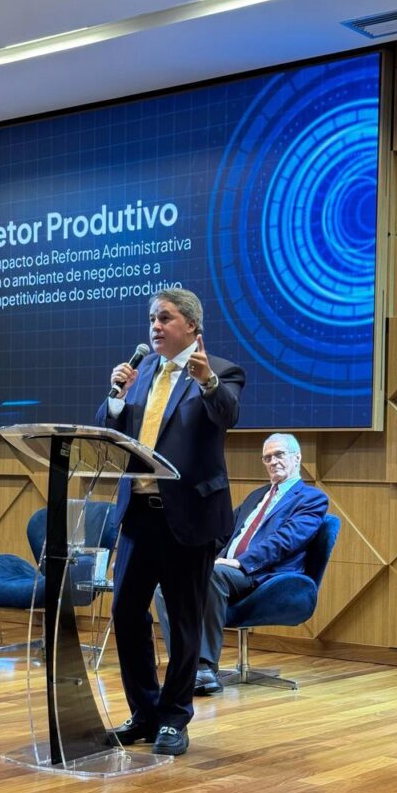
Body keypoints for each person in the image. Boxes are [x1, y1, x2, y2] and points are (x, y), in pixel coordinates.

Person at [96, 288, 245, 755]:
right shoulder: (141, 373)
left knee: (182, 622)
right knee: (126, 613)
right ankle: (145, 713)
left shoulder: (221, 370)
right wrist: (116, 399)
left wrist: (208, 383)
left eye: (165, 318)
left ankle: (175, 718)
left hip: (189, 518)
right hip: (139, 516)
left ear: (192, 326)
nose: (155, 327)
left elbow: (228, 415)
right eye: (152, 319)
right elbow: (109, 434)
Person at [155, 433, 329, 694]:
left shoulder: (311, 498)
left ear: (297, 458)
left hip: (265, 574)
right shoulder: (256, 496)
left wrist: (240, 562)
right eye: (267, 458)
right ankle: (184, 666)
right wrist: (188, 558)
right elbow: (222, 533)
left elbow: (287, 540)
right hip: (229, 568)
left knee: (212, 574)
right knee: (167, 584)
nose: (273, 462)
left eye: (279, 454)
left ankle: (204, 668)